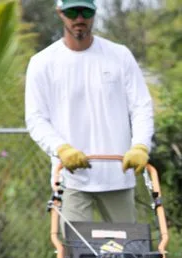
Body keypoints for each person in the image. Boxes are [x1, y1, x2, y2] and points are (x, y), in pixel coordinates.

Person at [24, 0, 154, 224]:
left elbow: (141, 107)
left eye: (86, 12)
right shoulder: (42, 63)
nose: (79, 19)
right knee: (76, 254)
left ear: (95, 13)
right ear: (60, 13)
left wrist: (141, 145)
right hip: (71, 179)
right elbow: (36, 119)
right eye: (72, 12)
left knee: (128, 253)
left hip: (118, 176)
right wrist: (61, 148)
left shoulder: (119, 56)